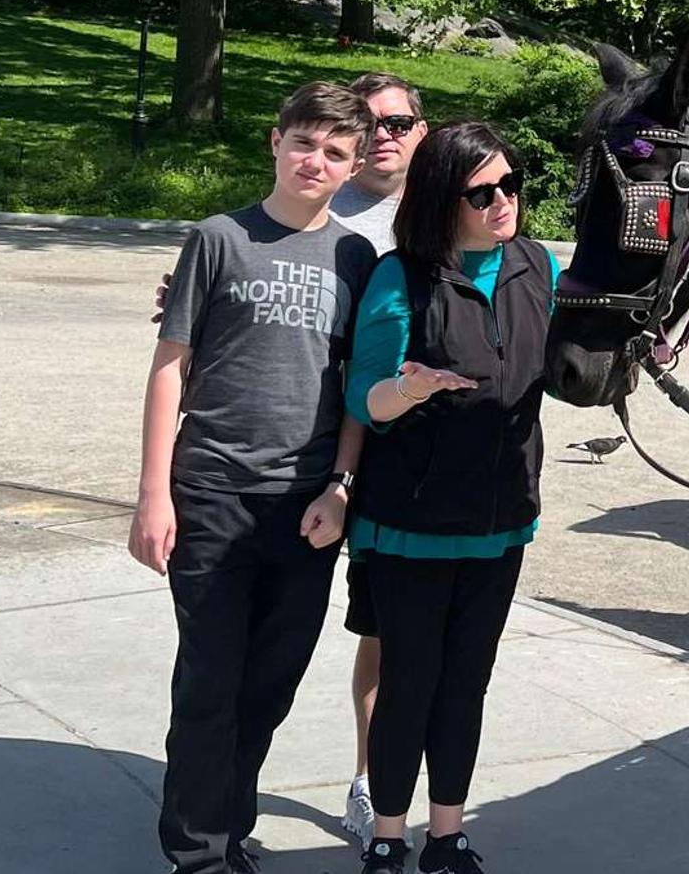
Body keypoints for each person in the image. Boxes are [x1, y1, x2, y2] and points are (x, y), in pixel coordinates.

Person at [150, 73, 428, 849]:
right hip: (209, 491)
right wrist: (152, 494)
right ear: (275, 142)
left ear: (350, 168)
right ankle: (199, 849)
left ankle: (227, 826)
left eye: (335, 150)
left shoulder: (357, 260)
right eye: (303, 142)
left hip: (304, 506)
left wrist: (340, 485)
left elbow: (353, 388)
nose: (316, 159)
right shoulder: (218, 238)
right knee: (210, 682)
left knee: (269, 683)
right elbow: (170, 366)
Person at [343, 121, 558, 874]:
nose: (504, 201)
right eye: (483, 192)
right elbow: (363, 398)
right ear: (443, 199)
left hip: (502, 519)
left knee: (467, 681)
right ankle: (386, 836)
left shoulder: (537, 264)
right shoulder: (400, 277)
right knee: (412, 682)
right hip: (414, 522)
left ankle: (446, 836)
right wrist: (413, 386)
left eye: (511, 183)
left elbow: (553, 367)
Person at [332, 73, 429, 847]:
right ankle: (368, 783)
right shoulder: (321, 210)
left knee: (389, 633)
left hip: (413, 460)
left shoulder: (449, 206)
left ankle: (378, 782)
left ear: (422, 130)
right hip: (318, 445)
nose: (385, 133)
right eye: (369, 123)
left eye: (399, 120)